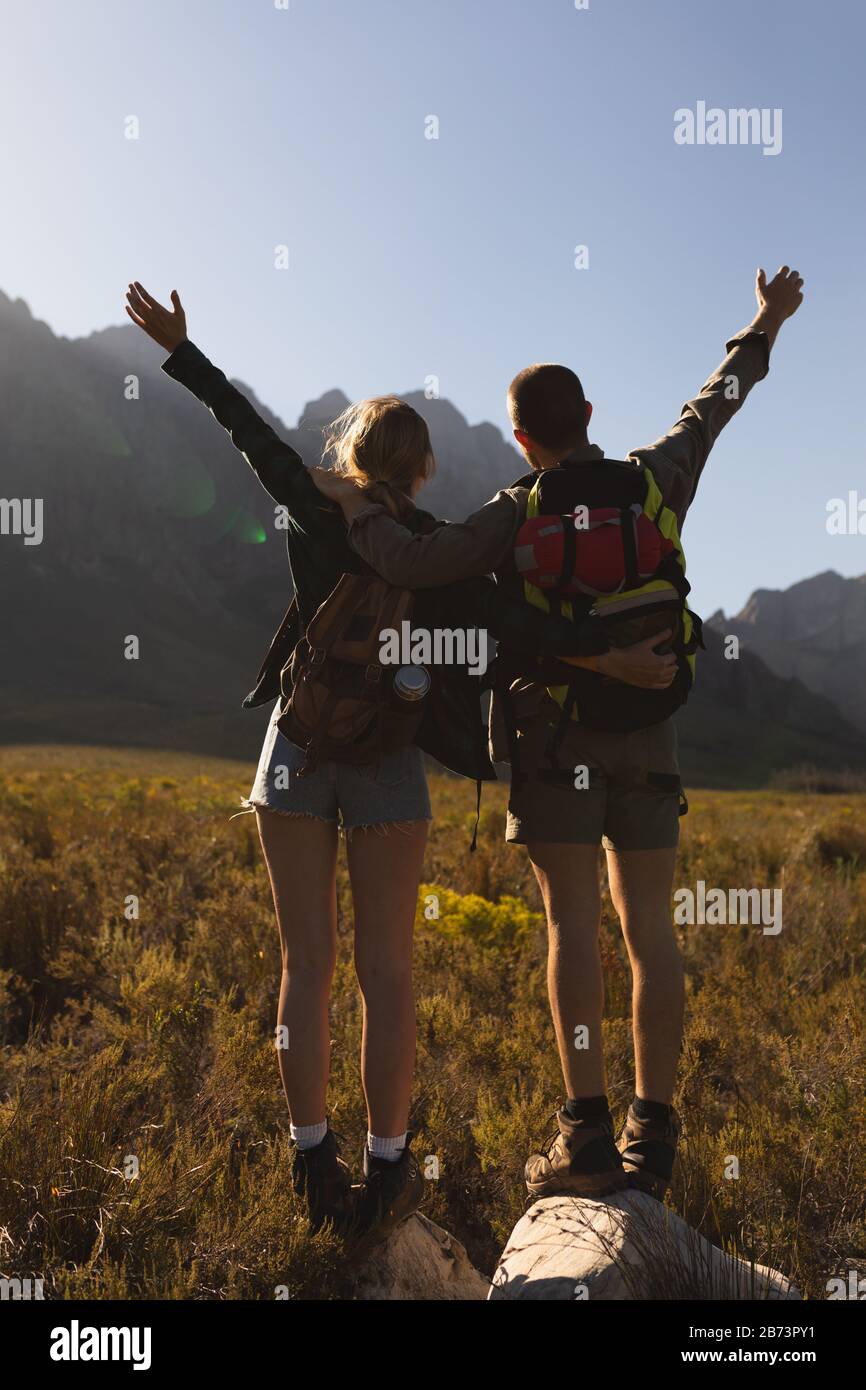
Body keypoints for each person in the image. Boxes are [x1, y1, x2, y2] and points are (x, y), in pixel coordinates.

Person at [122, 281, 669, 1240]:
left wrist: (184, 349)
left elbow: (248, 433)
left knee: (305, 965)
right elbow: (516, 627)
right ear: (422, 471)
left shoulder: (315, 504)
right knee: (390, 971)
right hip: (387, 766)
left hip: (293, 752)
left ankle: (308, 1159)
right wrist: (606, 654)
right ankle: (387, 1166)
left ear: (349, 458)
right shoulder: (437, 550)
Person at [310, 266, 805, 1201]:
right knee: (650, 933)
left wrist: (359, 510)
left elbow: (418, 560)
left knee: (571, 931)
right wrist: (764, 318)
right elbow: (718, 402)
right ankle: (651, 1142)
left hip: (551, 743)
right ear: (591, 412)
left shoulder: (516, 508)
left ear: (524, 436)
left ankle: (583, 1133)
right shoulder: (655, 475)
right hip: (648, 735)